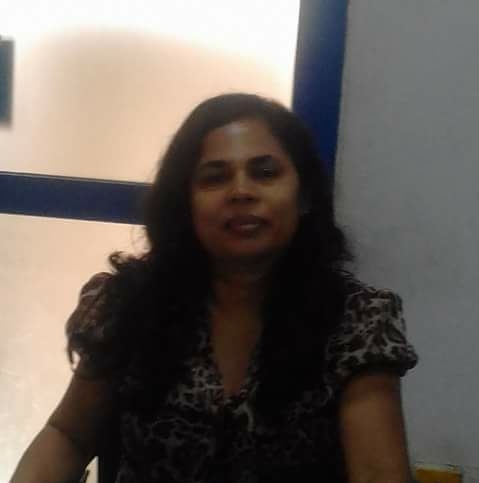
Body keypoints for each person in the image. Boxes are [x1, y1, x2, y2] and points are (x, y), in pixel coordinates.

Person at [10, 93, 418, 483]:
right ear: (186, 203)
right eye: (215, 178)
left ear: (304, 196)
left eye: (265, 173)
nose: (241, 192)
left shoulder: (355, 320)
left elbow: (378, 474)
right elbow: (68, 435)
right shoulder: (129, 305)